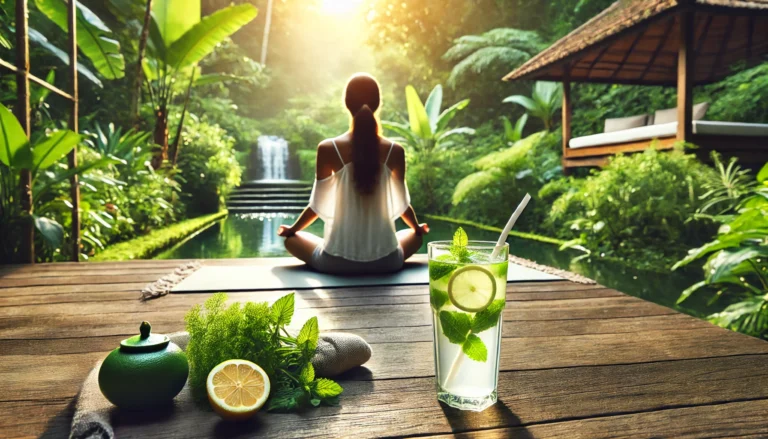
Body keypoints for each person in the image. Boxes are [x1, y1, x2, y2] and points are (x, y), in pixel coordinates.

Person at [277, 73, 429, 274]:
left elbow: (316, 206)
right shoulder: (395, 151)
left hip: (335, 263)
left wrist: (292, 230)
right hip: (387, 262)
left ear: (346, 104)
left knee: (291, 241)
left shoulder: (328, 148)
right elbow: (403, 205)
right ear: (377, 104)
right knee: (414, 237)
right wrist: (417, 228)